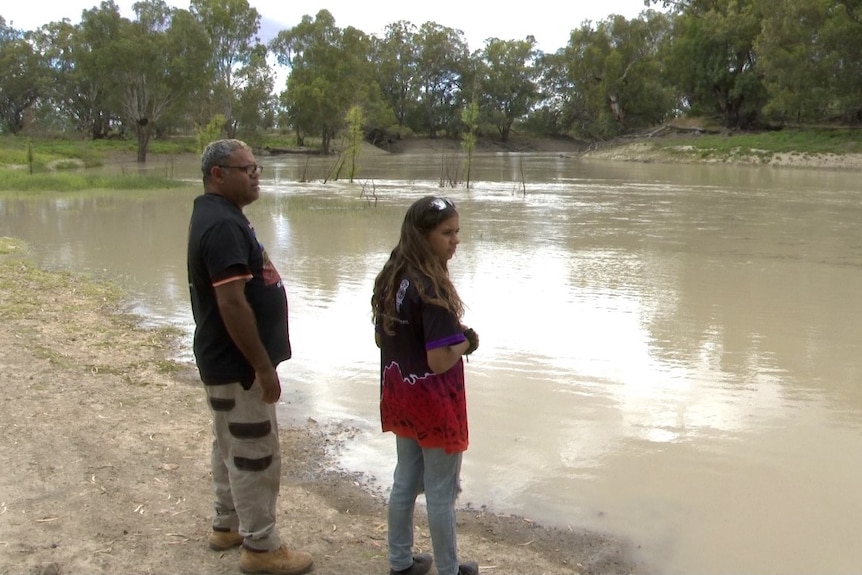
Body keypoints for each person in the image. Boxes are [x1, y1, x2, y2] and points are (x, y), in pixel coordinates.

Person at [187, 139, 313, 575]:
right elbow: (233, 304)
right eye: (247, 169)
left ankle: (228, 525)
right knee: (254, 450)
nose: (255, 175)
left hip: (224, 361)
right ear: (218, 174)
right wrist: (261, 366)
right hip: (239, 366)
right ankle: (261, 548)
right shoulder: (222, 226)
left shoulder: (220, 216)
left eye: (257, 167)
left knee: (230, 442)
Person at [371, 196, 481, 575]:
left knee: (405, 479)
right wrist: (467, 342)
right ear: (423, 236)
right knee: (441, 491)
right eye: (447, 233)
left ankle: (400, 563)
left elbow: (381, 338)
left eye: (457, 232)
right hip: (433, 402)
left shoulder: (393, 274)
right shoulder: (432, 288)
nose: (455, 241)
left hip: (400, 392)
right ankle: (449, 570)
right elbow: (438, 360)